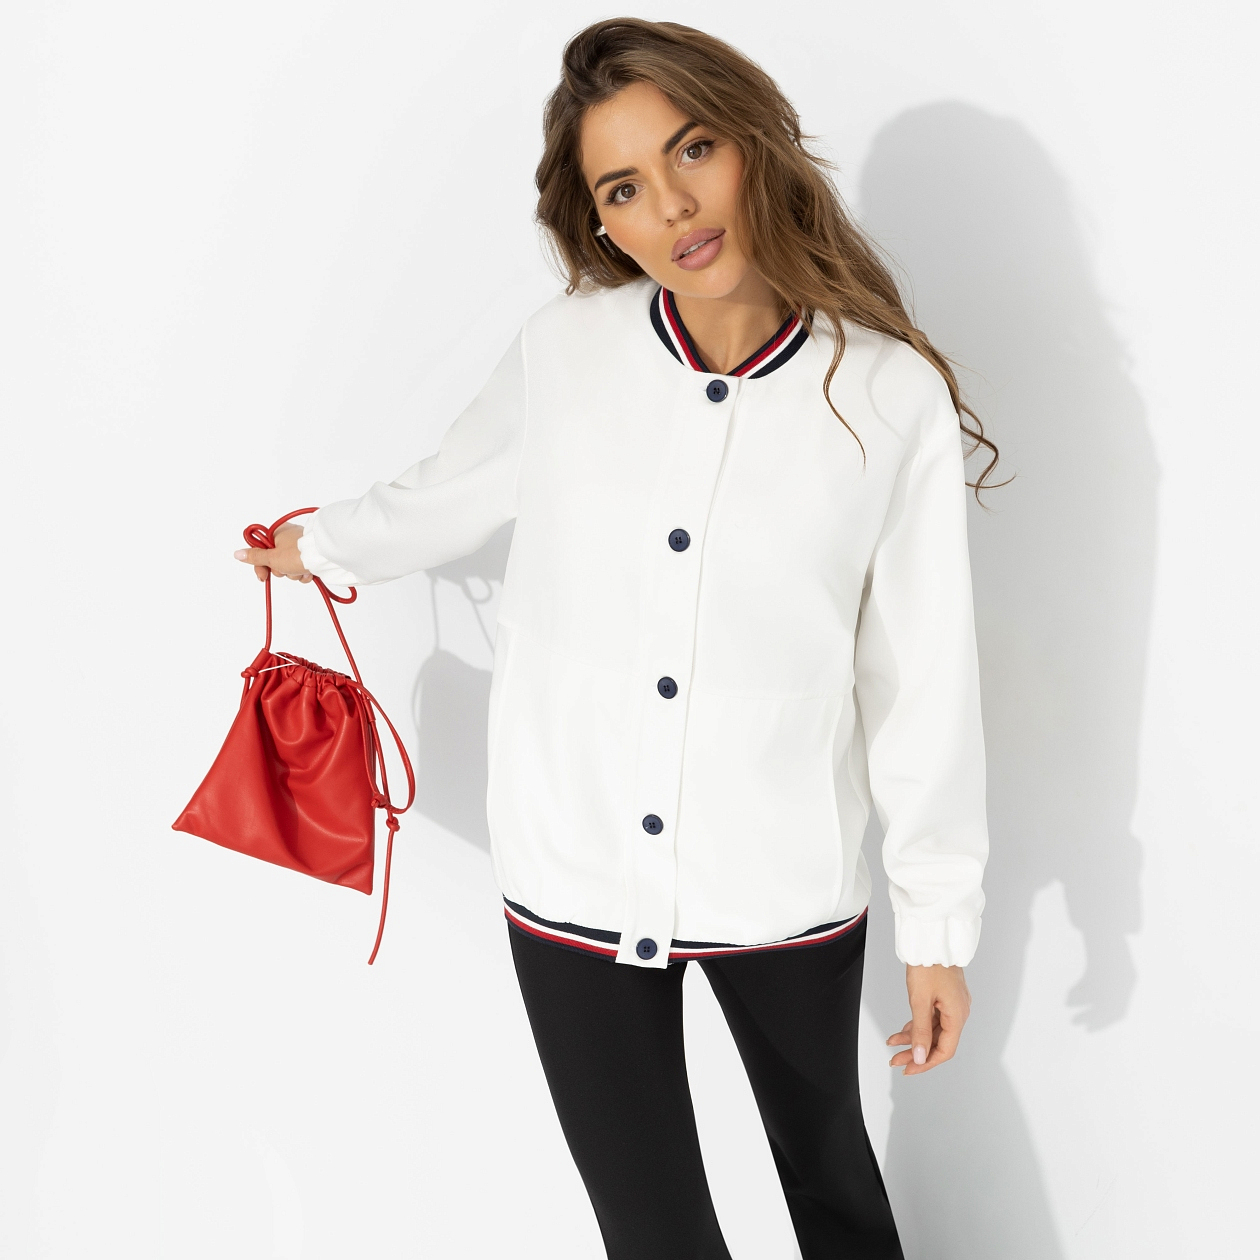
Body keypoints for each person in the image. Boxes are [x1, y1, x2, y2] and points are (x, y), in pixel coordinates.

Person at [236, 18, 997, 1260]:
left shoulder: (885, 395)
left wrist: (939, 926)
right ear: (599, 223)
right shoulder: (568, 350)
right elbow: (448, 490)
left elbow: (921, 677)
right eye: (624, 188)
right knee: (651, 1235)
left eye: (693, 150)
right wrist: (321, 545)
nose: (674, 207)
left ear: (752, 144)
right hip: (572, 871)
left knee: (837, 1198)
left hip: (781, 877)